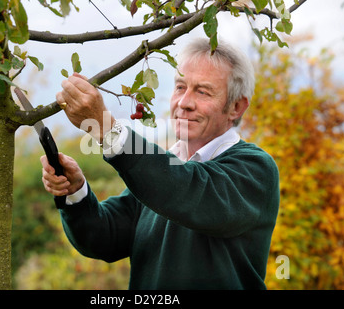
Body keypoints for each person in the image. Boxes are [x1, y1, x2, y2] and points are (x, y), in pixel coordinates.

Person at [40, 38, 280, 289]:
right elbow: (103, 236)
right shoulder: (160, 174)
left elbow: (187, 189)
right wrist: (76, 191)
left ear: (236, 107)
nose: (184, 102)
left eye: (203, 91)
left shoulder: (255, 169)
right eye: (180, 87)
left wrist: (107, 129)